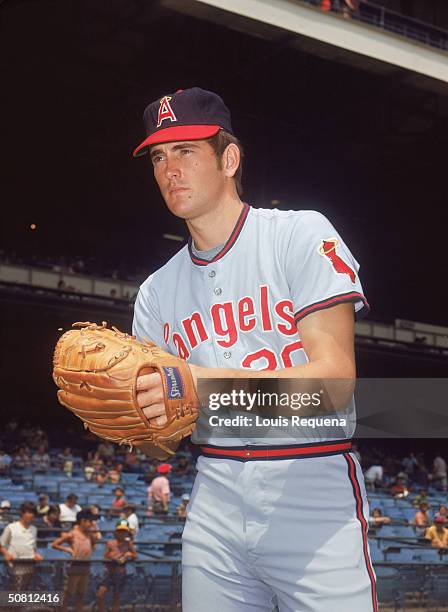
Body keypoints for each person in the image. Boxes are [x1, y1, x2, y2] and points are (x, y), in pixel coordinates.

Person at [131, 88, 375, 611]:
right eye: (159, 156)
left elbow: (334, 385)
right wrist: (131, 418)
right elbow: (161, 446)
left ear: (229, 158)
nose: (170, 169)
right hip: (213, 498)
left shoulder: (297, 234)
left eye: (186, 151)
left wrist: (200, 387)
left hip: (311, 489)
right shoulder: (154, 293)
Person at [51, 509, 97, 612]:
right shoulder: (72, 534)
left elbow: (94, 544)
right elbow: (55, 544)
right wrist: (67, 549)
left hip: (86, 566)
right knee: (68, 593)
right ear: (82, 521)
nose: (91, 524)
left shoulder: (89, 534)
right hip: (75, 566)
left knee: (81, 594)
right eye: (89, 521)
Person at [0, 501, 43, 591]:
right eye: (29, 512)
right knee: (15, 589)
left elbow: (33, 547)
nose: (32, 516)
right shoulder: (11, 527)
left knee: (25, 589)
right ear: (22, 513)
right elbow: (1, 544)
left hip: (29, 564)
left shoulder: (34, 529)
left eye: (33, 513)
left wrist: (36, 554)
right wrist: (7, 554)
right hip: (15, 564)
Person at [96, 519, 137, 612]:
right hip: (109, 572)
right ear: (116, 532)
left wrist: (128, 555)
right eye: (120, 531)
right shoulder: (110, 543)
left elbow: (135, 556)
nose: (122, 534)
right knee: (100, 594)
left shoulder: (128, 544)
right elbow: (104, 557)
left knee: (116, 596)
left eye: (124, 532)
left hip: (120, 573)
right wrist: (111, 557)